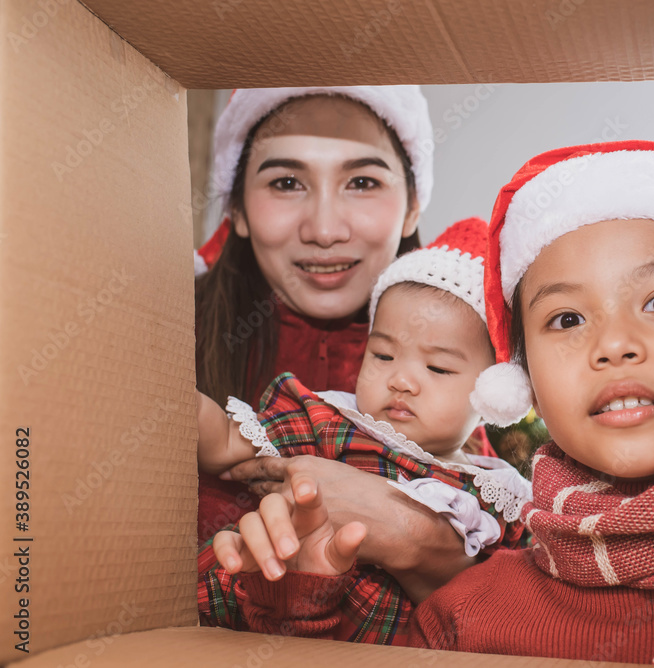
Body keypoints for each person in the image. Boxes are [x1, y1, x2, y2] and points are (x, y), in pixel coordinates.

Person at [207, 141, 654, 667]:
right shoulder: (470, 613)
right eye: (567, 318)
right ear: (528, 386)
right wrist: (303, 592)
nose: (615, 345)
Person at [195, 87, 488, 601]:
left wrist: (415, 538)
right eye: (286, 182)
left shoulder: (459, 383)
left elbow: (504, 604)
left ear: (413, 206)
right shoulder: (160, 333)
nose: (325, 230)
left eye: (362, 181)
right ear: (236, 209)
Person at [197, 219, 531, 644]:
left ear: (490, 395)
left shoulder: (495, 495)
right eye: (384, 354)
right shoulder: (332, 421)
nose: (401, 380)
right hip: (274, 612)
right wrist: (178, 406)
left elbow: (503, 599)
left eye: (438, 367)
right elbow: (227, 442)